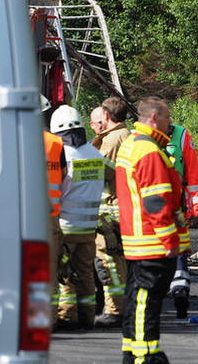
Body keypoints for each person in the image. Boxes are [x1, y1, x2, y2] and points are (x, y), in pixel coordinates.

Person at [116, 95, 189, 364]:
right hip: (153, 242)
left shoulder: (132, 144)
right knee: (147, 303)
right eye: (168, 118)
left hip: (138, 240)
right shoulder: (149, 152)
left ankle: (133, 352)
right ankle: (145, 356)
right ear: (155, 118)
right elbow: (156, 202)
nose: (171, 124)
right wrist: (171, 242)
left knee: (136, 300)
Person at [51, 105, 108, 331]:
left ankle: (67, 318)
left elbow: (59, 188)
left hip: (66, 227)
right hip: (88, 228)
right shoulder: (94, 153)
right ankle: (87, 317)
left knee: (63, 276)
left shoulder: (63, 155)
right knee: (85, 275)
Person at [89, 97, 131, 328]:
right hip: (120, 208)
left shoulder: (113, 139)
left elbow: (98, 169)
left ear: (105, 116)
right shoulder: (127, 135)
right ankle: (118, 306)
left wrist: (76, 158)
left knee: (109, 262)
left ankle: (115, 310)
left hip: (110, 210)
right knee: (120, 262)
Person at [164, 119, 198, 319]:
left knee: (178, 248)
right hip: (157, 208)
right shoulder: (140, 139)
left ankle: (179, 291)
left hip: (176, 207)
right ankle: (176, 288)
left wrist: (197, 208)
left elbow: (193, 173)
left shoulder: (181, 135)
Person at [41, 95, 67, 329]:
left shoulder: (12, 139)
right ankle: (47, 318)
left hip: (18, 217)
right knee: (49, 269)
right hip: (50, 217)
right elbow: (65, 176)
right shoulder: (57, 144)